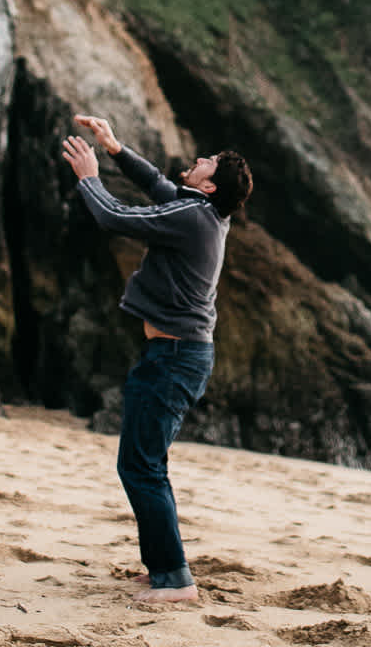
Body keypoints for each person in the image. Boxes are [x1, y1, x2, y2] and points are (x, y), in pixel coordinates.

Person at [58, 113, 253, 604]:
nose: (201, 159)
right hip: (174, 354)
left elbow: (117, 218)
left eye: (209, 164)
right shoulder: (201, 210)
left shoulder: (192, 218)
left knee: (141, 467)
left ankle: (175, 579)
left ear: (209, 189)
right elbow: (158, 184)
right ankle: (163, 569)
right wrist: (115, 147)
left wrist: (90, 178)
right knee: (144, 463)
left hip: (176, 357)